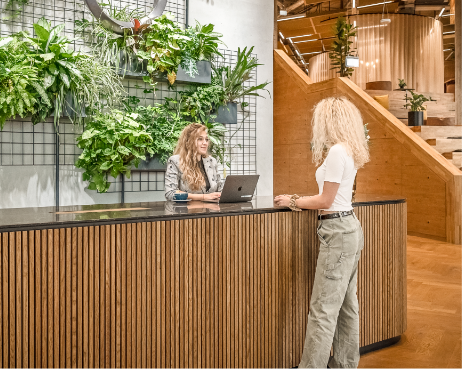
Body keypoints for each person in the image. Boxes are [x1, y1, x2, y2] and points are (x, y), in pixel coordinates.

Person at [274, 97, 370, 369]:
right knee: (347, 307)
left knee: (323, 310)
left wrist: (292, 200)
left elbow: (325, 200)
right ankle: (344, 364)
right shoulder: (348, 150)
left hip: (337, 232)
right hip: (349, 228)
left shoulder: (338, 151)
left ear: (330, 120)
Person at [165, 123, 224, 201]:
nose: (205, 143)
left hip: (211, 210)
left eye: (206, 139)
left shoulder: (212, 161)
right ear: (189, 141)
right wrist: (203, 197)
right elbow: (170, 193)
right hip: (186, 211)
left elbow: (220, 188)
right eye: (200, 139)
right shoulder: (175, 161)